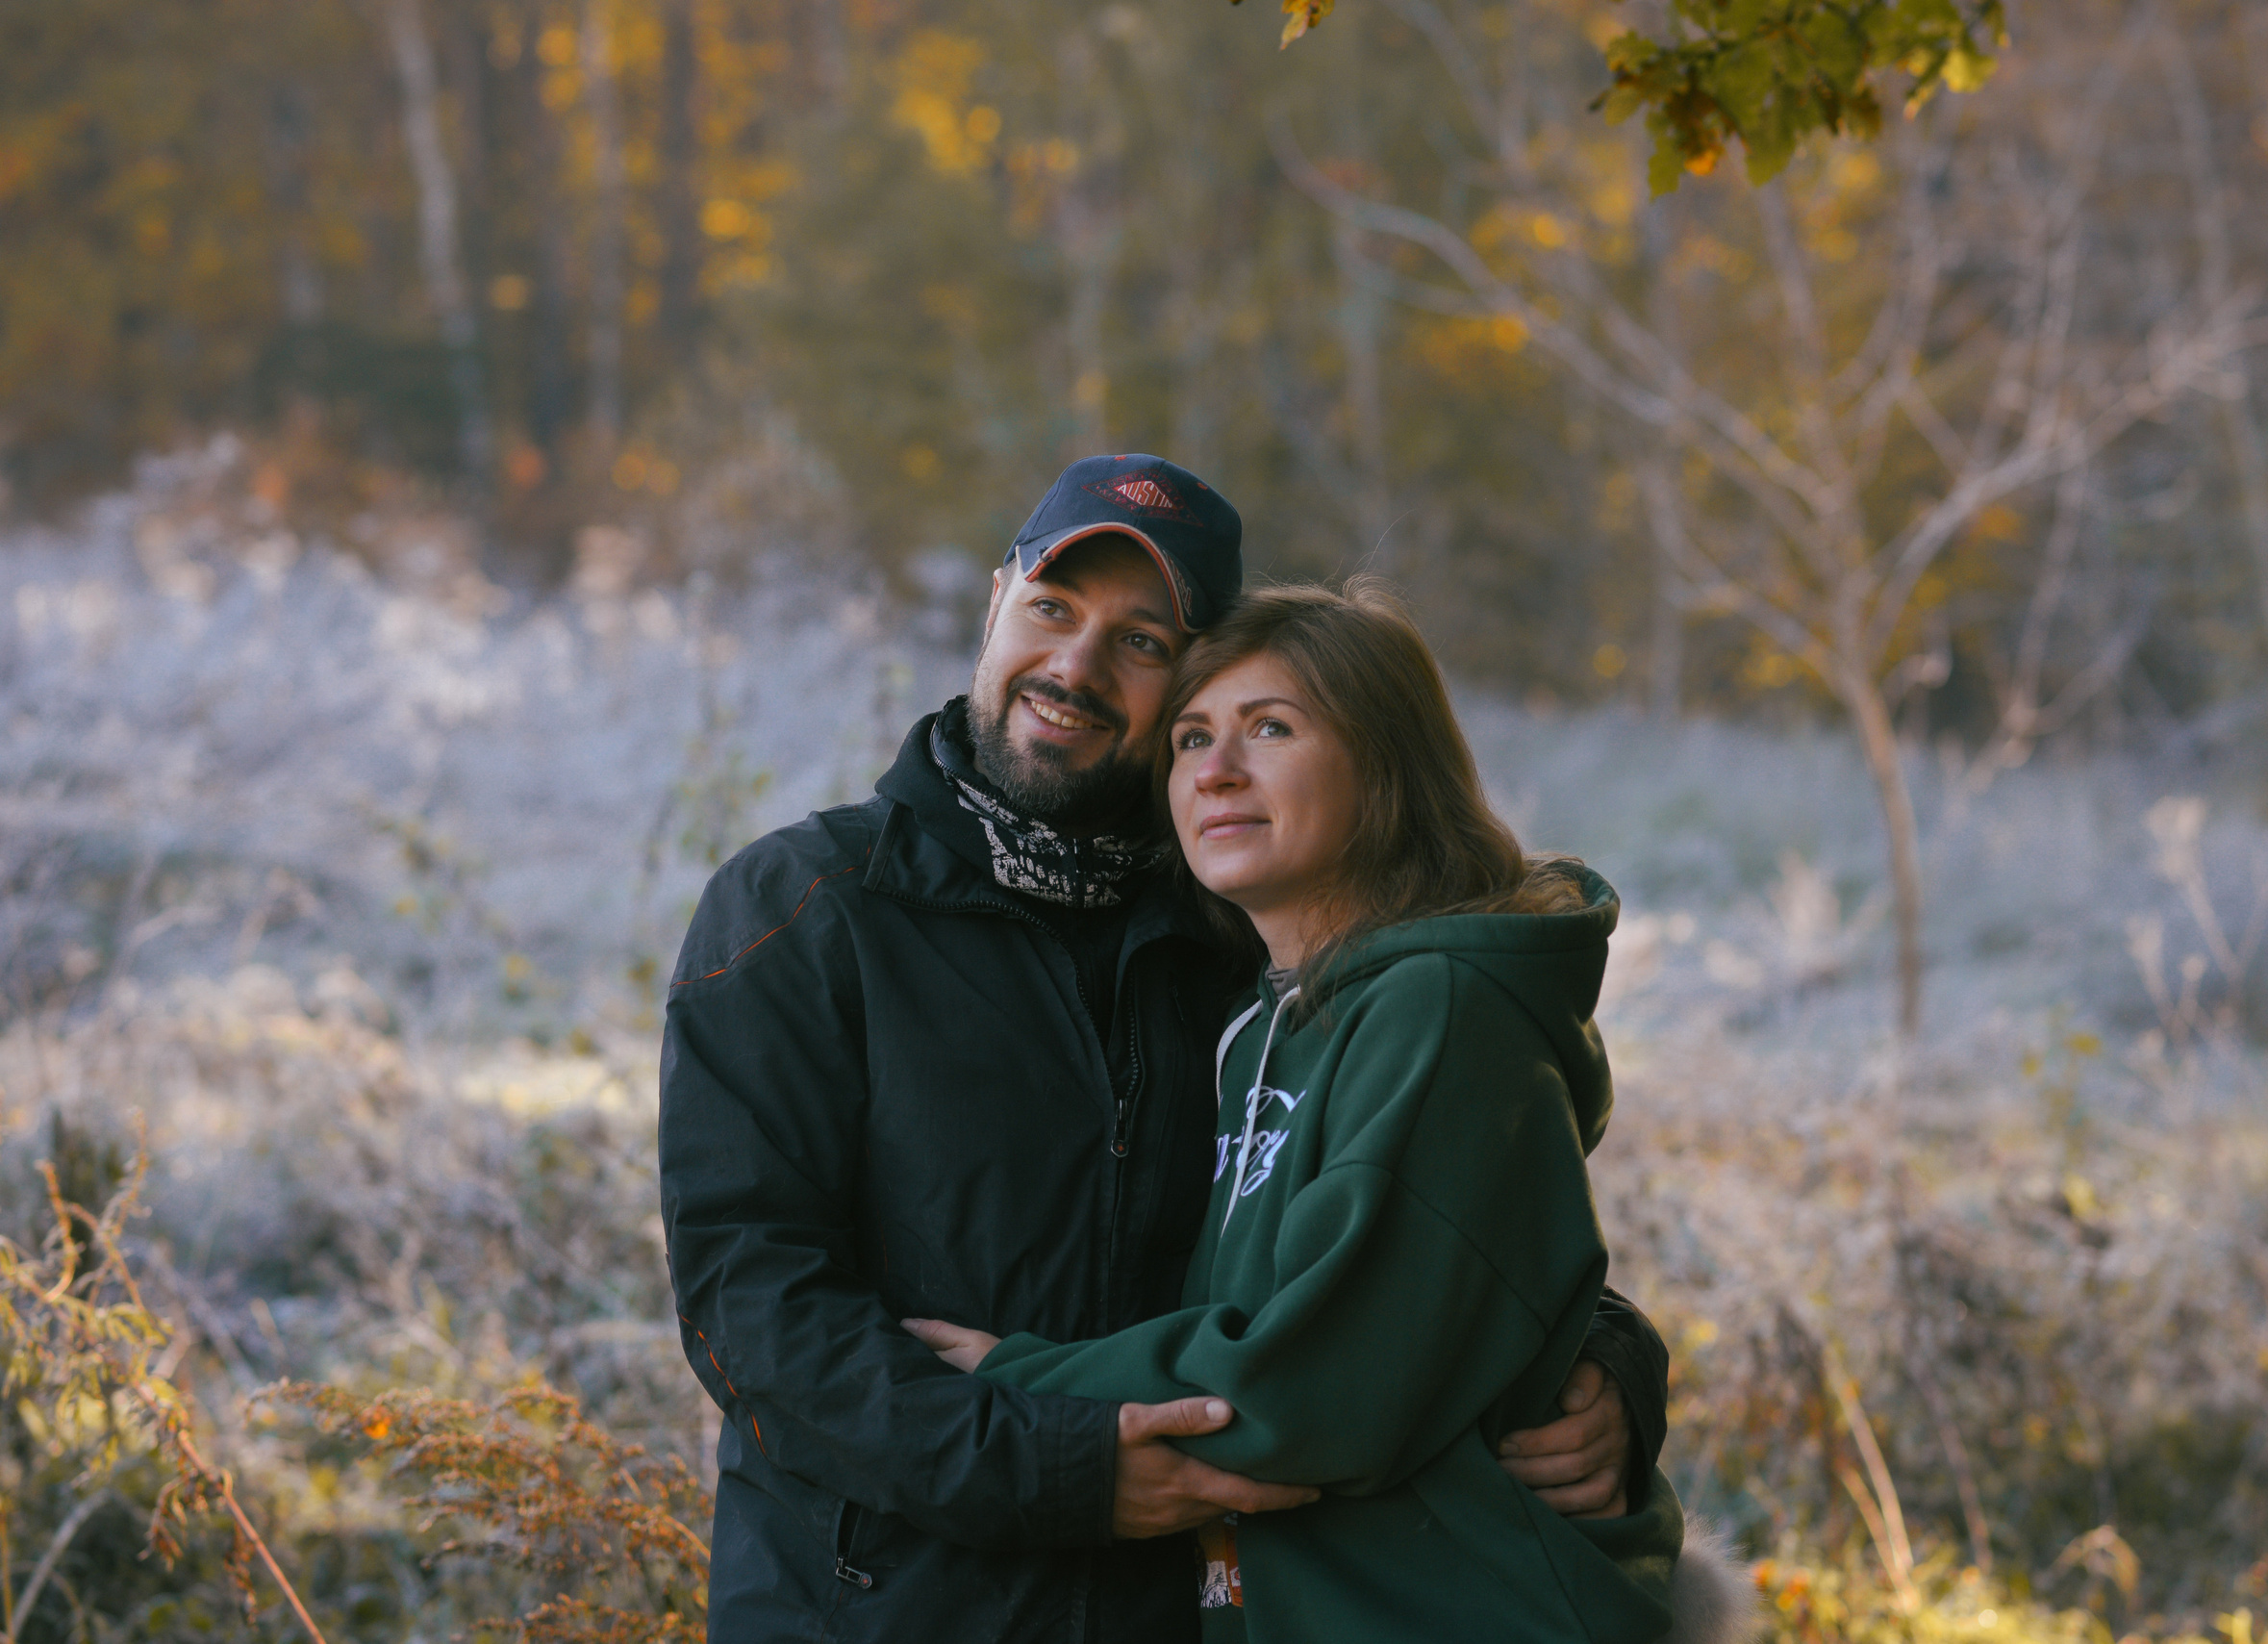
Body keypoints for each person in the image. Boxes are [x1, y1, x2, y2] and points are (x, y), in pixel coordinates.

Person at [658, 456, 1670, 1643]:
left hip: (1182, 1610)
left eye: (1141, 643)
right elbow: (753, 1301)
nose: (1076, 666)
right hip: (882, 1607)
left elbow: (1420, 1233)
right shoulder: (810, 907)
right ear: (995, 603)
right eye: (1051, 608)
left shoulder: (1242, 940)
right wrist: (1054, 1460)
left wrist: (1608, 1363)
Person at [903, 581, 1749, 1643]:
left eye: (1271, 728)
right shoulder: (1260, 1024)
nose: (1214, 769)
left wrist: (1013, 1377)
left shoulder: (1439, 1010)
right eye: (1191, 736)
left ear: (1386, 768)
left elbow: (1319, 1380)